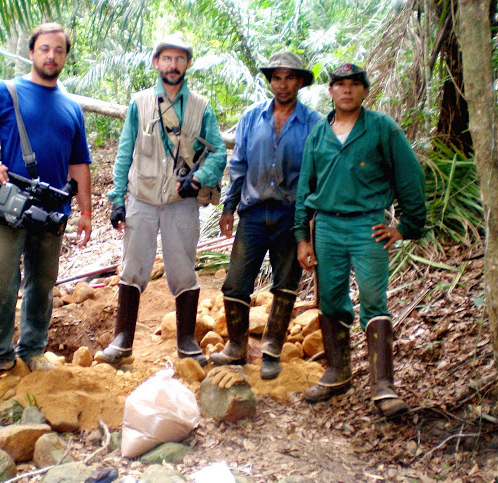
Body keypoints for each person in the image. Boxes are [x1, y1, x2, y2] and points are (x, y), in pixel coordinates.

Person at [0, 23, 92, 382]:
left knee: (42, 283)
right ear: (31, 52)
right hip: (9, 205)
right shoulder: (4, 92)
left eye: (58, 50)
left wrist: (86, 212)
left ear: (65, 57)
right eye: (44, 48)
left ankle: (33, 349)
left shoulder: (72, 107)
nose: (51, 55)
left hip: (51, 211)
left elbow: (79, 164)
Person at [294, 63, 426, 418]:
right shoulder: (319, 135)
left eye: (354, 85)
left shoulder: (381, 128)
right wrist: (301, 238)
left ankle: (383, 385)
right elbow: (305, 188)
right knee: (331, 298)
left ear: (365, 91)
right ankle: (338, 372)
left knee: (372, 297)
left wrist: (407, 226)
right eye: (340, 85)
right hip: (327, 228)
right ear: (331, 92)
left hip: (368, 226)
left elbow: (410, 176)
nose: (347, 90)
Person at [98, 33, 227, 367]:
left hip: (180, 201)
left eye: (180, 59)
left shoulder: (201, 107)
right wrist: (117, 199)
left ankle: (186, 341)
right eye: (167, 59)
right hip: (141, 197)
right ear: (156, 63)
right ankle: (123, 339)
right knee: (132, 266)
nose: (173, 65)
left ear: (187, 64)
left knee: (183, 269)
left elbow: (219, 152)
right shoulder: (139, 103)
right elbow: (125, 151)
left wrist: (199, 179)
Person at [209, 51, 322, 381]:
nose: (282, 84)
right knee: (235, 284)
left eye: (289, 78)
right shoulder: (251, 118)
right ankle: (236, 347)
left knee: (286, 285)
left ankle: (272, 349)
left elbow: (316, 175)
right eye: (276, 78)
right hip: (254, 213)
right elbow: (239, 164)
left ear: (300, 81)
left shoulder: (314, 123)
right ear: (270, 81)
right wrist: (228, 207)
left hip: (293, 214)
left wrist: (310, 224)